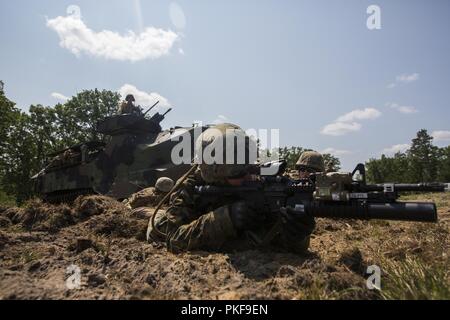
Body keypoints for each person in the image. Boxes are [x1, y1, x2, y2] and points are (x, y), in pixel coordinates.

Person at [147, 124, 315, 254]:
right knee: (156, 224)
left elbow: (277, 241)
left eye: (249, 168)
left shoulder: (261, 185)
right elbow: (173, 239)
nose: (248, 176)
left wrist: (298, 234)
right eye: (238, 173)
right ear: (214, 173)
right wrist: (225, 219)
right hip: (165, 221)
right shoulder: (190, 185)